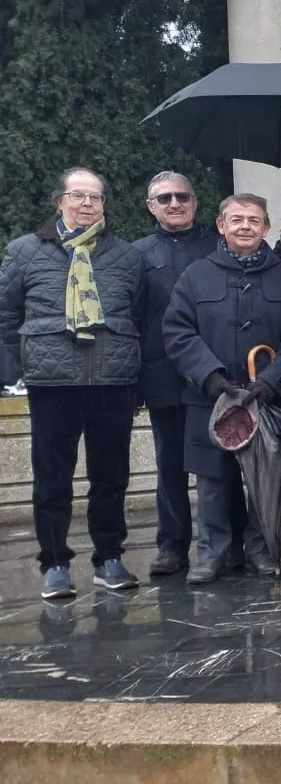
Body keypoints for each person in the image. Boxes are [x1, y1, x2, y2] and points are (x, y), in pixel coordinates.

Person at [0, 168, 144, 598]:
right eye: (78, 196)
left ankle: (109, 557)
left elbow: (135, 313)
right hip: (52, 382)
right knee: (52, 478)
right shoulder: (25, 251)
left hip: (111, 380)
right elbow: (6, 317)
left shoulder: (125, 256)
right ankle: (55, 562)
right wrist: (24, 365)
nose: (87, 204)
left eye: (95, 197)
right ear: (59, 200)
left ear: (104, 204)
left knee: (112, 475)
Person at [163, 194, 281, 583]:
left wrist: (271, 382)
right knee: (212, 480)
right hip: (210, 397)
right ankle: (213, 554)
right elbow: (177, 332)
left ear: (266, 228)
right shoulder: (195, 275)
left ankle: (260, 551)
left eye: (254, 220)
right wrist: (211, 377)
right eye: (236, 219)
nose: (245, 226)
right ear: (221, 226)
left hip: (266, 399)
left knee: (264, 479)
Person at [132, 171, 219, 579]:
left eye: (182, 196)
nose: (174, 203)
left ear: (195, 202)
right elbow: (131, 318)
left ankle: (222, 543)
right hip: (163, 374)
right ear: (151, 206)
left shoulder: (218, 245)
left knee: (217, 463)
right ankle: (172, 544)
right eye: (163, 198)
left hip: (213, 376)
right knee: (169, 463)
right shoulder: (137, 255)